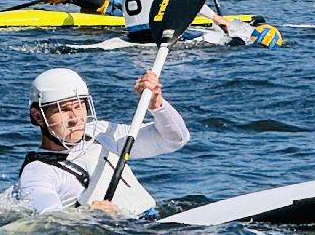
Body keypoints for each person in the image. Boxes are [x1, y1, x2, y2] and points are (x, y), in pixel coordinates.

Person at [18, 66, 189, 218]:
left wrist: (157, 105)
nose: (75, 118)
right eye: (62, 110)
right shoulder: (37, 172)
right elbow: (48, 220)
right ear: (38, 116)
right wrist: (86, 215)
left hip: (150, 220)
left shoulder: (100, 132)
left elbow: (175, 139)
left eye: (79, 106)